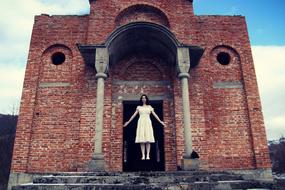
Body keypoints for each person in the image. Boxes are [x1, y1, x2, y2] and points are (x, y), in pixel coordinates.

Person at [124, 94, 165, 160]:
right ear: (141, 99)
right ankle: (143, 155)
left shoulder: (149, 107)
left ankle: (148, 154)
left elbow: (155, 115)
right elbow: (133, 115)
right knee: (142, 140)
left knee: (148, 139)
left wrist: (160, 121)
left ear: (146, 99)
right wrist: (128, 122)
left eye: (145, 98)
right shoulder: (139, 107)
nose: (144, 99)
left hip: (148, 123)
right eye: (142, 98)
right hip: (141, 123)